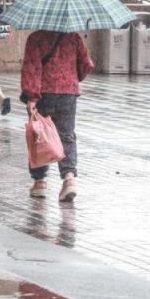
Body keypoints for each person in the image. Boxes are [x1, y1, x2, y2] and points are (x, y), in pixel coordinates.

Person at [21, 30, 95, 202]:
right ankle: (69, 178)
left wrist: (31, 96)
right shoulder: (74, 37)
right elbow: (86, 64)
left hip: (43, 93)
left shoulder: (36, 38)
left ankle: (39, 182)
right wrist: (71, 79)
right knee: (66, 135)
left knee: (39, 135)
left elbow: (31, 68)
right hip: (68, 92)